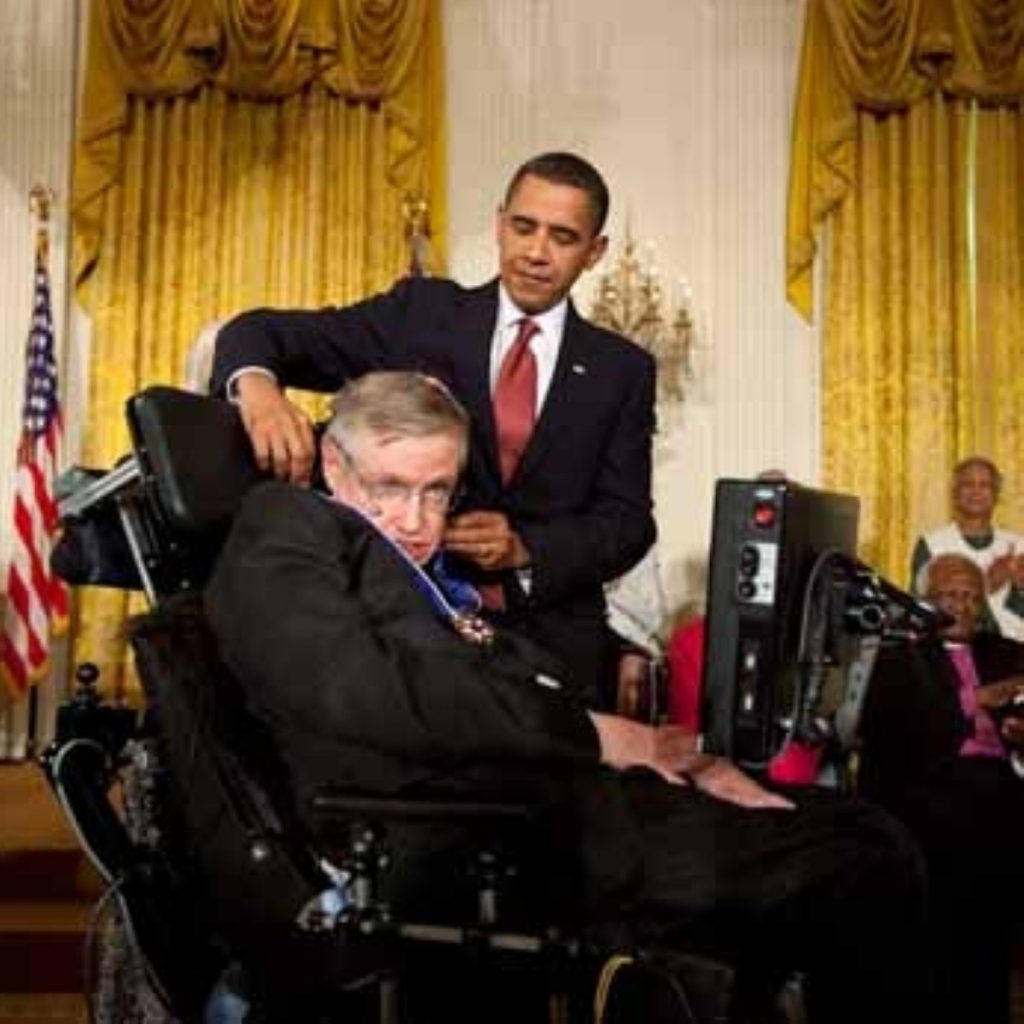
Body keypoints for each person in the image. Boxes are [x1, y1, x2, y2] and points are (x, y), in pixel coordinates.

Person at [204, 371, 931, 1023]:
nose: (419, 521)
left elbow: (506, 680)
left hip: (555, 802)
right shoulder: (287, 524)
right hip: (474, 829)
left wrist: (672, 755)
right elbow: (359, 690)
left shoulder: (421, 572)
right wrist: (609, 739)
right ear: (334, 464)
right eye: (391, 487)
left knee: (865, 828)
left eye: (438, 491)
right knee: (860, 859)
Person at [210, 151, 656, 706]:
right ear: (499, 224)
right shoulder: (421, 313)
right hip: (407, 632)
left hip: (553, 642)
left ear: (595, 252)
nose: (537, 253)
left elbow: (629, 522)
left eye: (563, 237)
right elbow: (259, 332)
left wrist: (526, 548)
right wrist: (257, 393)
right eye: (523, 227)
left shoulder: (622, 370)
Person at [859, 552, 1024, 1024]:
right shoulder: (898, 657)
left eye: (972, 596)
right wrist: (978, 699)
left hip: (1002, 790)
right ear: (927, 603)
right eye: (951, 595)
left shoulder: (1006, 651)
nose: (962, 605)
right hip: (931, 793)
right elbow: (898, 730)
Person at [910, 456, 1024, 640]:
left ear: (996, 494)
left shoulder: (1018, 545)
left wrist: (1020, 589)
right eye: (968, 484)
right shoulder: (932, 543)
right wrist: (988, 583)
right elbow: (921, 611)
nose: (976, 492)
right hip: (954, 651)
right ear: (954, 494)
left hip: (1013, 652)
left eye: (984, 485)